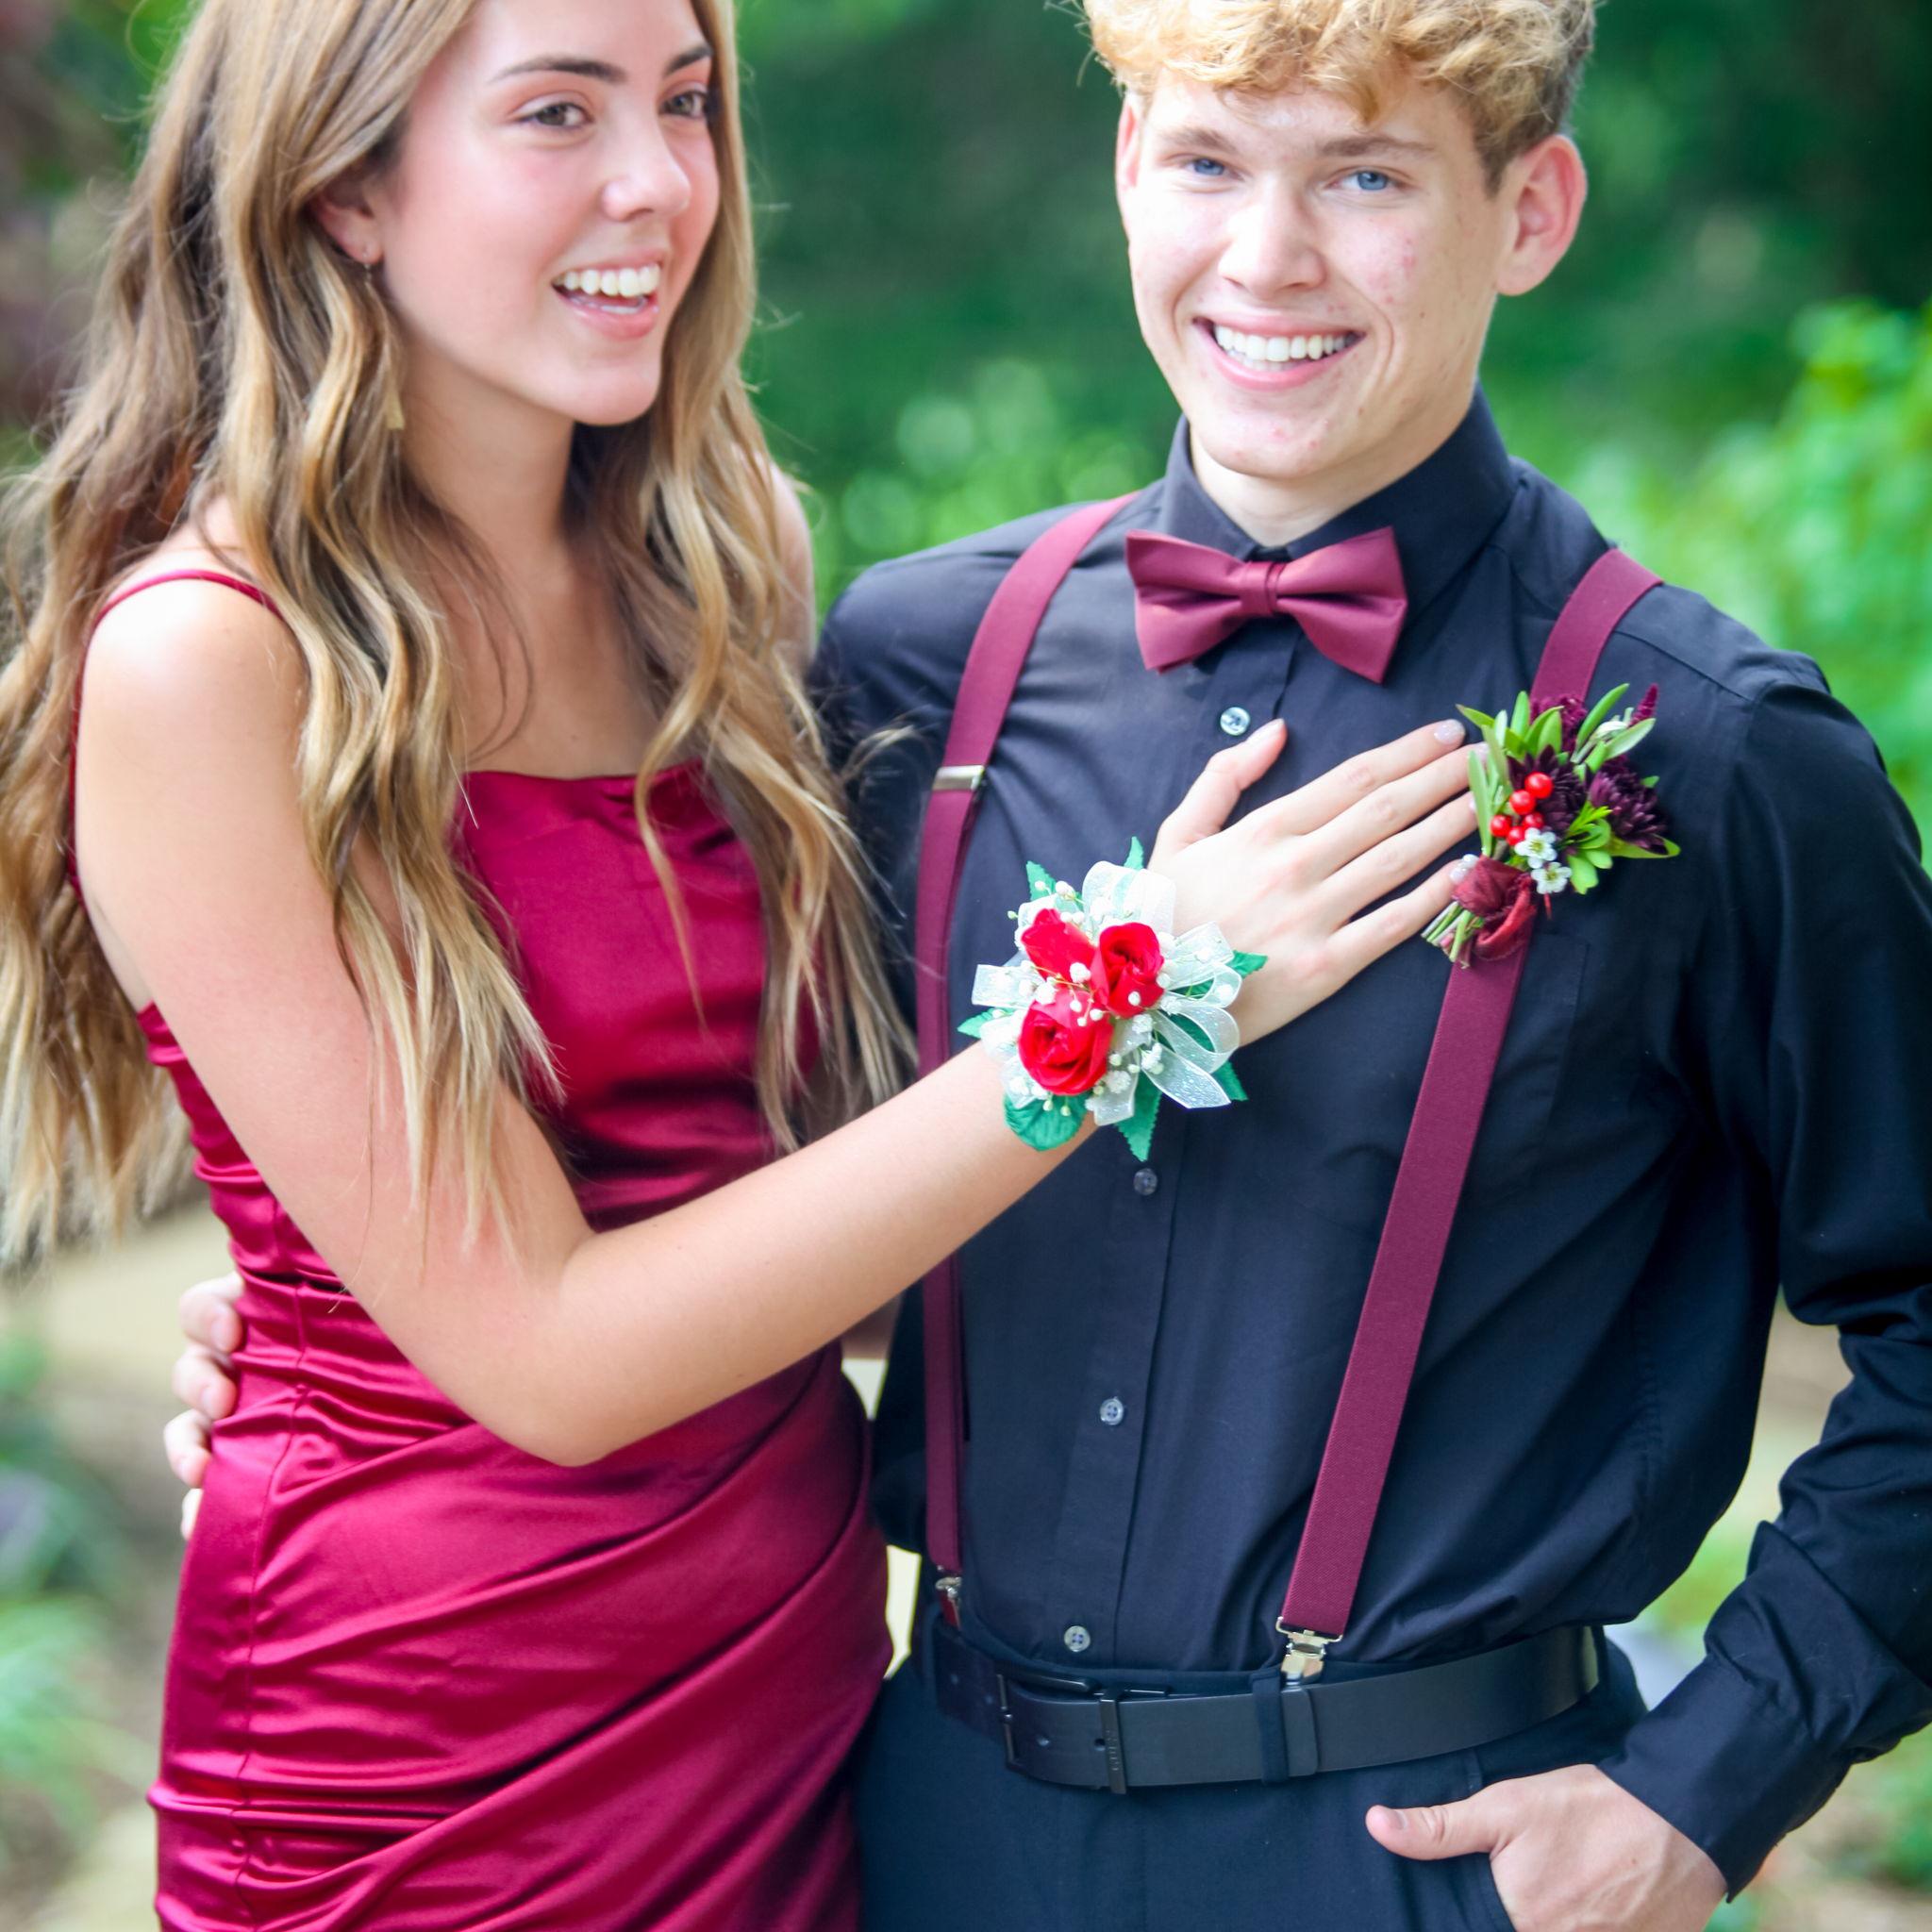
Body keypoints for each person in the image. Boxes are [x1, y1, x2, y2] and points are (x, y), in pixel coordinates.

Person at [169, 0, 1932, 1928]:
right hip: (918, 1824)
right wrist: (354, 1335)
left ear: (1531, 213)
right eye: (1208, 163)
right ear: (1125, 173)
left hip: (1417, 1857)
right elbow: (788, 1207)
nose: (1268, 257)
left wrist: (1704, 1787)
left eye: (1364, 176)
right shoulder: (911, 672)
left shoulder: (1712, 755)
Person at [2, 0, 1478, 1926]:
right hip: (425, 1769)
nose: (658, 184)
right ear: (345, 186)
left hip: (789, 1716)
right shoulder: (210, 661)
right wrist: (1125, 999)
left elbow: (815, 1218)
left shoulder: (718, 567)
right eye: (558, 113)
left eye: (685, 102)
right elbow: (548, 1354)